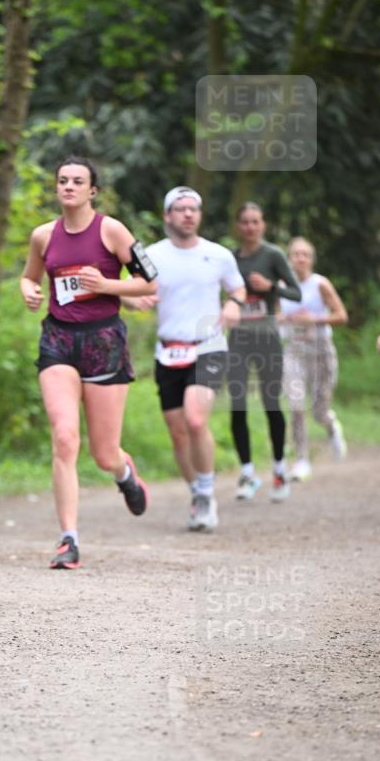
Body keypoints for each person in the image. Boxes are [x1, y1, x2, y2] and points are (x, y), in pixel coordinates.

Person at [19, 157, 155, 569]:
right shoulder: (44, 236)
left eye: (78, 181)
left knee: (103, 452)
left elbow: (150, 281)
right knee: (64, 438)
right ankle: (68, 539)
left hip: (104, 341)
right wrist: (28, 290)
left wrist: (106, 284)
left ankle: (123, 473)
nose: (69, 187)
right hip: (58, 340)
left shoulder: (111, 230)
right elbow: (30, 276)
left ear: (93, 190)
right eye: (63, 181)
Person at [145, 186, 246, 532]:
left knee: (196, 420)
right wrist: (134, 302)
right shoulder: (151, 255)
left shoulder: (218, 255)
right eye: (180, 209)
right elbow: (131, 290)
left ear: (200, 215)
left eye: (193, 209)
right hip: (168, 349)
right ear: (167, 216)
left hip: (208, 345)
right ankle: (197, 493)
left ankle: (206, 491)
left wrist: (234, 304)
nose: (188, 214)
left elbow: (238, 288)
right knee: (177, 433)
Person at [228, 202, 302, 502]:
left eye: (255, 222)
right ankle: (247, 473)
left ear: (263, 225)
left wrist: (271, 286)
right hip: (239, 339)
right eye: (245, 222)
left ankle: (279, 470)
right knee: (238, 405)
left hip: (267, 338)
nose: (250, 227)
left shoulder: (272, 255)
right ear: (238, 226)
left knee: (272, 403)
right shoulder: (229, 258)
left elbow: (295, 292)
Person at [280, 236, 348, 481]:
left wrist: (314, 320)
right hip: (294, 351)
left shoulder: (321, 285)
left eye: (305, 254)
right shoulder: (281, 286)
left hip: (321, 351)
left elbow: (341, 316)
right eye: (296, 254)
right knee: (296, 405)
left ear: (311, 259)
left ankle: (330, 425)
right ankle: (301, 460)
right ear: (289, 258)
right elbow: (277, 315)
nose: (300, 258)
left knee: (319, 410)